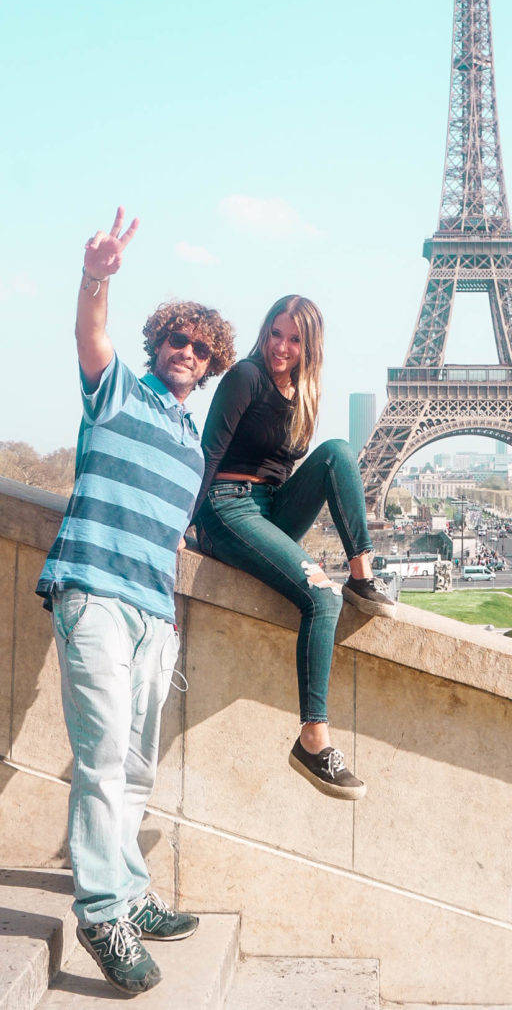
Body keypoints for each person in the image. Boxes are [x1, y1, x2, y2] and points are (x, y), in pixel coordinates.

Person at [36, 211, 236, 996]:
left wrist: (173, 613)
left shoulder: (192, 442)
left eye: (201, 348)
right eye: (176, 341)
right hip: (93, 594)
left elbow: (174, 536)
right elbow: (90, 336)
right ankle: (100, 911)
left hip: (154, 611)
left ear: (211, 363)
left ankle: (128, 889)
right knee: (103, 754)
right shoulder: (116, 391)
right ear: (156, 347)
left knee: (138, 763)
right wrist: (98, 278)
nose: (187, 353)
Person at [194, 295, 396, 803]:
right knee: (321, 599)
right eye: (275, 333)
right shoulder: (245, 376)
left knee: (338, 452)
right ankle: (313, 739)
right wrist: (182, 523)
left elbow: (289, 476)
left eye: (294, 338)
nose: (281, 346)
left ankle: (362, 573)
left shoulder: (303, 393)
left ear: (310, 346)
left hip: (269, 508)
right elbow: (209, 453)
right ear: (265, 332)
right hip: (227, 508)